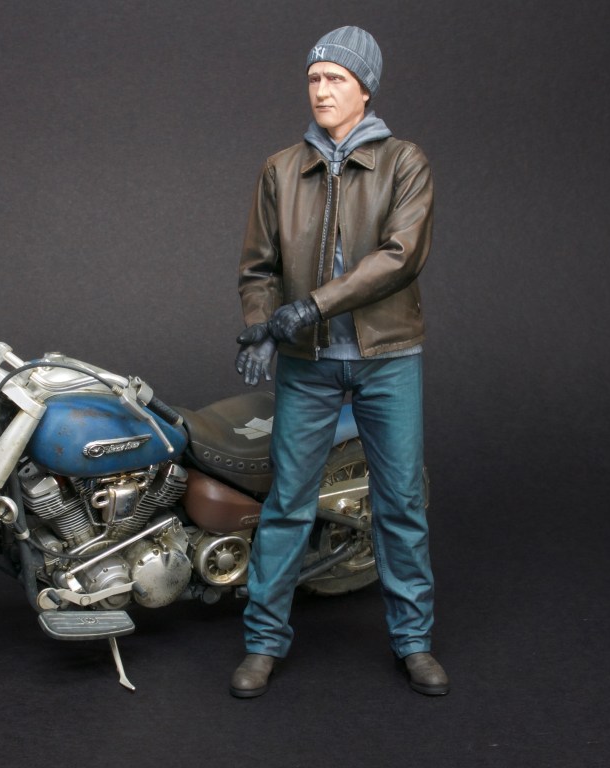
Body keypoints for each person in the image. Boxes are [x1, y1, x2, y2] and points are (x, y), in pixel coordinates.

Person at [232, 25, 448, 698]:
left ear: (366, 88)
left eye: (337, 78)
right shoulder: (280, 170)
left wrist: (313, 306)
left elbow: (399, 257)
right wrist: (263, 326)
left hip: (388, 357)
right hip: (308, 363)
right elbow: (259, 267)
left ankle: (413, 641)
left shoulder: (404, 162)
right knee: (287, 503)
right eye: (314, 78)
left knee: (400, 502)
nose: (321, 90)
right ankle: (263, 641)